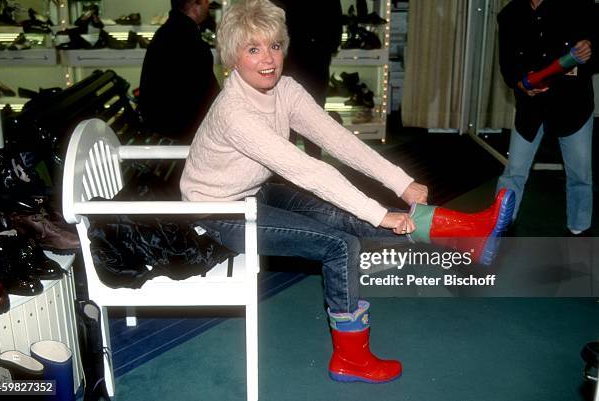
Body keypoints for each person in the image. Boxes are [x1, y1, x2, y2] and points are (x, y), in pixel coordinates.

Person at [180, 0, 515, 384]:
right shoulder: (234, 111)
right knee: (340, 243)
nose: (268, 58)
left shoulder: (284, 89)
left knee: (347, 216)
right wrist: (379, 212)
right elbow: (307, 169)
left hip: (252, 191)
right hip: (217, 211)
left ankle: (466, 235)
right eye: (253, 49)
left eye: (274, 45)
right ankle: (350, 360)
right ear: (232, 57)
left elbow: (339, 141)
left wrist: (399, 181)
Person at [495, 0, 595, 235]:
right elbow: (507, 64)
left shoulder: (581, 8)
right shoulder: (509, 15)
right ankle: (500, 223)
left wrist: (590, 49)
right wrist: (520, 83)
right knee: (514, 173)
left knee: (580, 174)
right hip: (530, 108)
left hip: (573, 107)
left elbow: (595, 48)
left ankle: (579, 229)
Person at [139, 0, 219, 143]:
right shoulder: (189, 41)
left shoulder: (168, 31)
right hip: (177, 131)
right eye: (206, 1)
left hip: (161, 124)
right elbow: (210, 98)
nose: (209, 5)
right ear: (196, 5)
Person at [271, 0, 343, 159]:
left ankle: (305, 161)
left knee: (310, 112)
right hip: (299, 57)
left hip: (306, 57)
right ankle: (293, 162)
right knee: (292, 111)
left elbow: (335, 22)